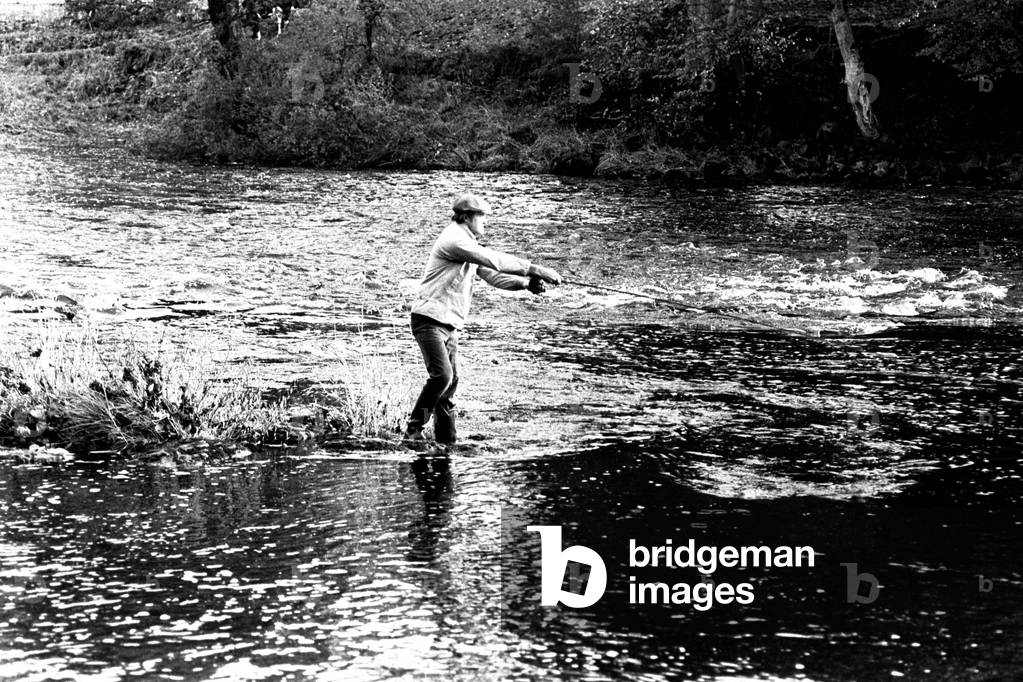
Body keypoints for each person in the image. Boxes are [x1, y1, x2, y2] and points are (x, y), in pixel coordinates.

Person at [404, 194, 562, 447]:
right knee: (442, 376)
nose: (485, 222)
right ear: (466, 217)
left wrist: (526, 285)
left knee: (449, 387)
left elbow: (494, 276)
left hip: (449, 324)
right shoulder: (454, 239)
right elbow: (494, 260)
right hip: (428, 319)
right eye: (481, 217)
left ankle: (447, 443)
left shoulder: (469, 244)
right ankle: (414, 430)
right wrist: (536, 269)